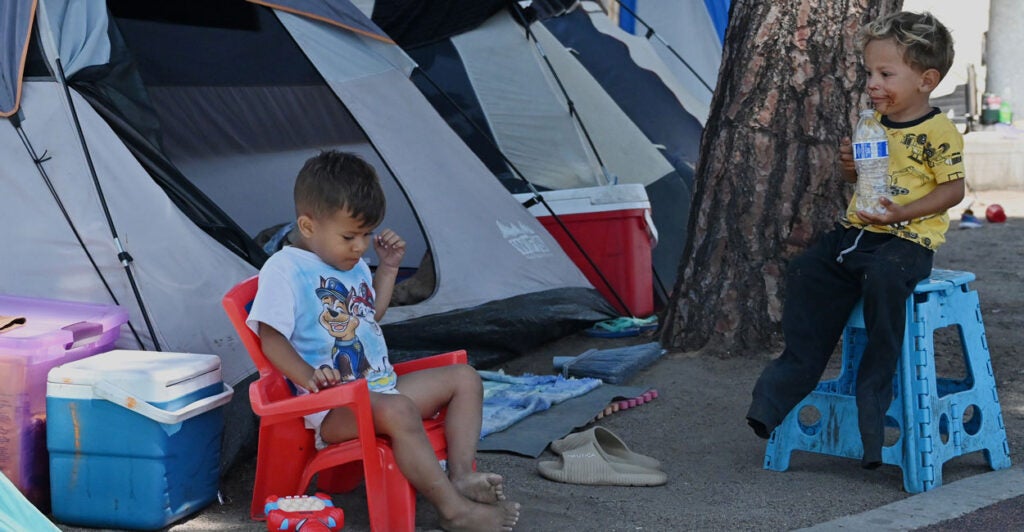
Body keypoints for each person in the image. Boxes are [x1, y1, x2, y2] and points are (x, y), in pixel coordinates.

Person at [247, 150, 520, 531]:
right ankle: (454, 511)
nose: (360, 246)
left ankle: (460, 475)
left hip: (381, 389)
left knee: (465, 378)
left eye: (366, 234)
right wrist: (310, 376)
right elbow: (270, 338)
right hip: (332, 407)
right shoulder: (286, 268)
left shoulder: (351, 262)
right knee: (400, 411)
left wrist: (388, 268)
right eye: (349, 236)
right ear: (308, 226)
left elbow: (369, 315)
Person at [746, 11, 965, 469]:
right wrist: (850, 165)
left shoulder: (938, 132)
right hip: (858, 233)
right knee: (806, 268)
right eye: (869, 73)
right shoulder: (873, 124)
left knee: (885, 278)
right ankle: (783, 387)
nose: (872, 83)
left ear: (926, 80)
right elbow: (863, 180)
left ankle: (873, 396)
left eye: (886, 74)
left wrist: (904, 211)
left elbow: (953, 190)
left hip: (906, 242)